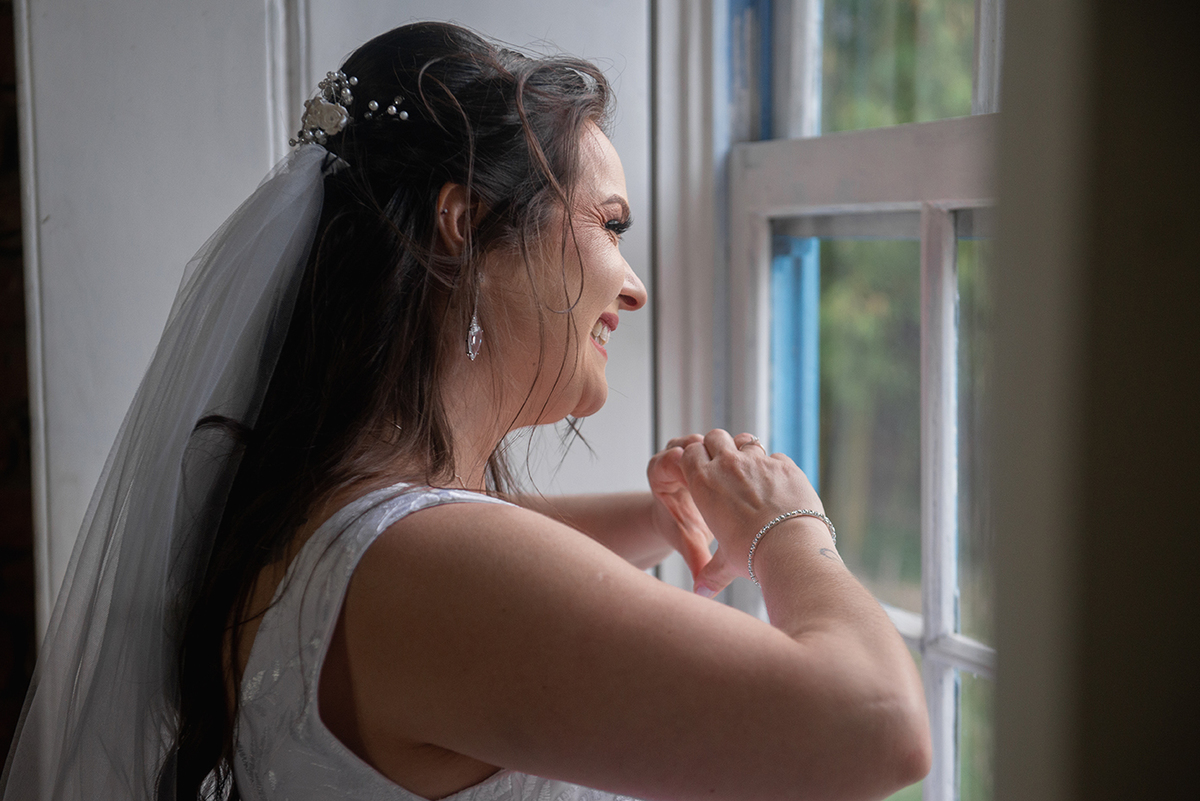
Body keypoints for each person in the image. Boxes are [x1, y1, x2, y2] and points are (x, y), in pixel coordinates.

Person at [0, 21, 930, 801]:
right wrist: (786, 522)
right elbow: (879, 731)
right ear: (466, 223)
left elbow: (479, 535)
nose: (635, 286)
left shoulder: (306, 502)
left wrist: (656, 518)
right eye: (609, 224)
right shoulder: (424, 567)